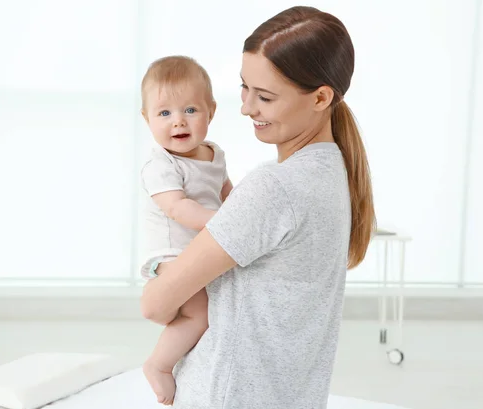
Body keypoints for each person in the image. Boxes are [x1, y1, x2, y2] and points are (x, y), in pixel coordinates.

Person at [140, 6, 376, 409]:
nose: (247, 107)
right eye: (244, 87)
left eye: (264, 96)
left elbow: (155, 305)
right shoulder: (334, 171)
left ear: (321, 97)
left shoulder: (275, 189)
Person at [138, 55, 233, 405]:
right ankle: (159, 365)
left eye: (190, 110)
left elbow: (226, 194)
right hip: (172, 254)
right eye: (164, 113)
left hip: (202, 249)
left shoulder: (214, 153)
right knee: (199, 312)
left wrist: (240, 213)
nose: (178, 121)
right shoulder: (160, 164)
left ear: (211, 111)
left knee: (216, 310)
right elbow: (178, 208)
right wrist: (222, 223)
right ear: (146, 118)